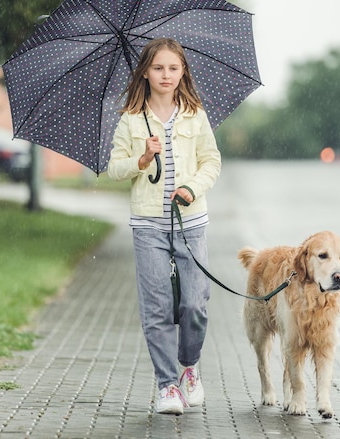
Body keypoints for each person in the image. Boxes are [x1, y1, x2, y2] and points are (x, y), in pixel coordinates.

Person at [107, 38, 221, 415]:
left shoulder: (195, 114)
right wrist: (142, 158)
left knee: (194, 303)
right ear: (145, 72)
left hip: (190, 223)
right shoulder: (130, 119)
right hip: (148, 226)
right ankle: (167, 385)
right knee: (157, 308)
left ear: (183, 71)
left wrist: (192, 187)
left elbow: (212, 162)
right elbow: (114, 168)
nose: (166, 75)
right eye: (158, 68)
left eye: (173, 68)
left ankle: (189, 366)